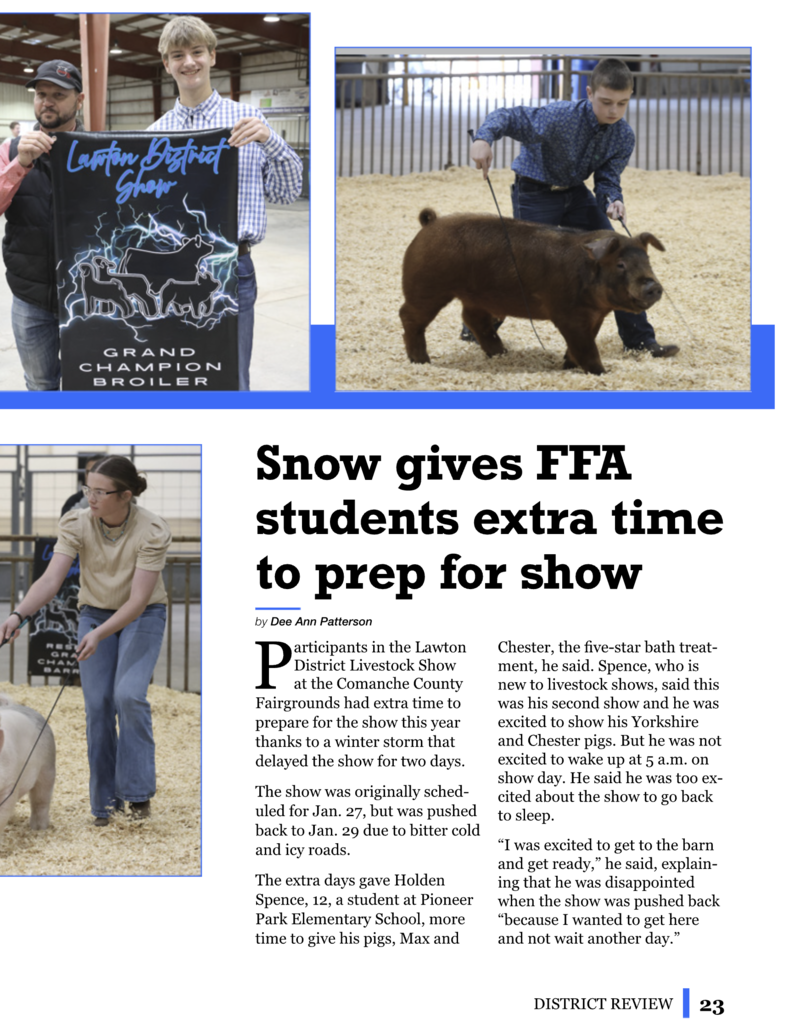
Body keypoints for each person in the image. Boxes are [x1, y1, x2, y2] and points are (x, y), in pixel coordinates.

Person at [468, 57, 678, 359]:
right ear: (589, 93)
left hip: (576, 194)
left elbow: (607, 178)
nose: (613, 111)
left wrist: (612, 200)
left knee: (618, 256)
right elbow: (509, 116)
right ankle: (478, 323)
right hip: (535, 191)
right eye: (606, 101)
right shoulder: (559, 116)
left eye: (621, 103)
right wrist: (483, 138)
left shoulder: (623, 136)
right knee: (523, 269)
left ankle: (640, 341)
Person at [0, 456, 172, 825]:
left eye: (99, 492)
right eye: (87, 489)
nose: (90, 498)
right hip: (94, 612)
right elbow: (50, 580)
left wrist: (96, 634)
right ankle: (104, 805)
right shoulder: (77, 523)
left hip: (142, 616)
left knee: (128, 695)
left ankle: (138, 795)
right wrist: (18, 615)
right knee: (97, 705)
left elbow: (138, 599)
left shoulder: (152, 529)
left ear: (125, 495)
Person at [148, 16, 303, 390]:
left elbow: (287, 192)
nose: (189, 62)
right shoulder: (154, 135)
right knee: (175, 373)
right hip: (172, 269)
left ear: (212, 57)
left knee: (231, 375)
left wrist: (271, 140)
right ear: (167, 65)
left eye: (197, 52)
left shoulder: (249, 121)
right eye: (177, 55)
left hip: (234, 267)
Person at [0, 61, 85, 390]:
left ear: (79, 101)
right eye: (41, 94)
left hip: (86, 295)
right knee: (40, 384)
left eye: (58, 95)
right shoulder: (10, 150)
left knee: (89, 383)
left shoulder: (104, 151)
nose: (47, 102)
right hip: (30, 298)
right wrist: (21, 164)